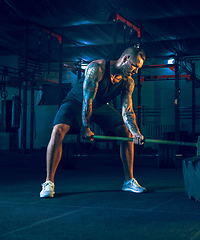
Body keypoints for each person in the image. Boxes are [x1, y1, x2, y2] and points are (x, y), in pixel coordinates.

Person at [40, 45, 146, 198]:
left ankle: (129, 180)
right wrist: (85, 127)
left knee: (126, 131)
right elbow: (87, 100)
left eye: (138, 68)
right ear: (125, 59)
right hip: (76, 102)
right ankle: (48, 182)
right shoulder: (97, 68)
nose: (136, 70)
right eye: (135, 66)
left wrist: (136, 132)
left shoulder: (128, 82)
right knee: (57, 131)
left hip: (100, 106)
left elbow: (127, 111)